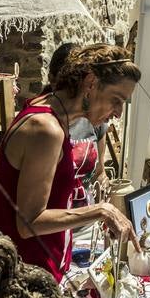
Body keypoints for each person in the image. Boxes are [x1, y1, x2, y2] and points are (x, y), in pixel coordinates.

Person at [0, 44, 141, 285]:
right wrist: (101, 210)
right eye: (116, 100)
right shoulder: (46, 129)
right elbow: (29, 222)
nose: (118, 113)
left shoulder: (56, 116)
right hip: (18, 285)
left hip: (36, 277)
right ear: (90, 82)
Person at [44, 43, 110, 209]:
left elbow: (99, 171)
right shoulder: (43, 126)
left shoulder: (94, 120)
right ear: (51, 79)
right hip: (56, 225)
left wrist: (102, 183)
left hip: (86, 221)